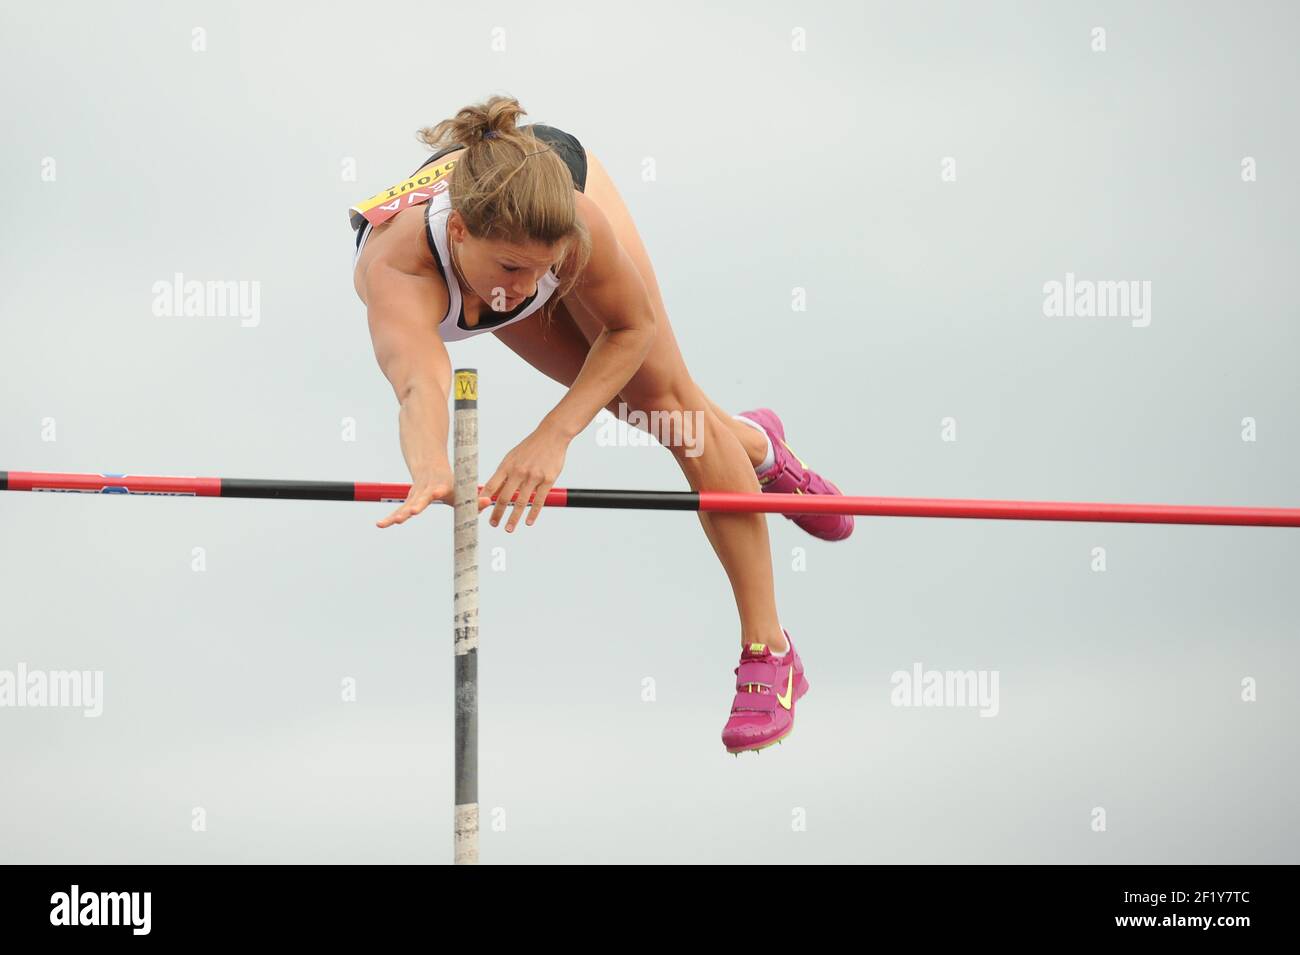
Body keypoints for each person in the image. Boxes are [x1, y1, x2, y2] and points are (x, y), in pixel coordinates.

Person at [350, 96, 849, 754]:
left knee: (673, 411)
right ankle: (755, 444)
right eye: (511, 271)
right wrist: (431, 467)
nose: (527, 291)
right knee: (632, 402)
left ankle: (771, 650)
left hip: (551, 192)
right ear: (463, 232)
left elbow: (630, 327)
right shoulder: (396, 270)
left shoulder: (570, 223)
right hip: (485, 234)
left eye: (541, 271)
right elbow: (420, 383)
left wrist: (553, 433)